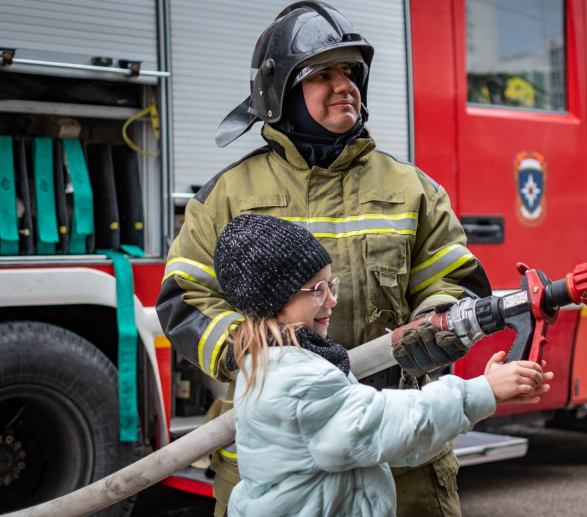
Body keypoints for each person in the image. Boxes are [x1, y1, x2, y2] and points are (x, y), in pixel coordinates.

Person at [156, 2, 494, 515]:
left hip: (399, 458)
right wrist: (249, 348)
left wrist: (435, 325)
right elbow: (183, 298)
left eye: (352, 72)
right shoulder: (228, 194)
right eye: (323, 74)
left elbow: (456, 280)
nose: (345, 86)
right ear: (281, 93)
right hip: (277, 472)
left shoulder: (411, 189)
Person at [213, 214, 553, 517]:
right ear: (276, 300)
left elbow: (391, 443)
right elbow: (377, 425)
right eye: (318, 289)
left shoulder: (283, 361)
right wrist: (482, 392)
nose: (332, 299)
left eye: (331, 285)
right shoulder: (297, 379)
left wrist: (477, 402)